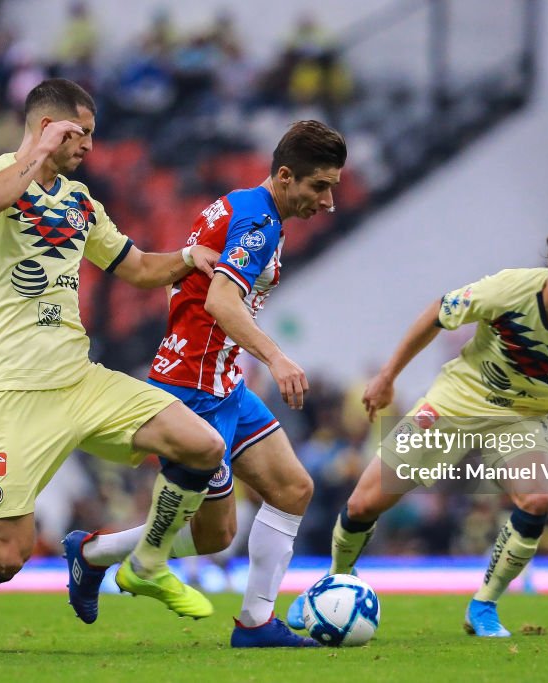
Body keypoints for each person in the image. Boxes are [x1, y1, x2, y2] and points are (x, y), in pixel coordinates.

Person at [0, 78, 228, 655]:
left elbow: (136, 268)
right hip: (5, 391)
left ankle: (147, 561)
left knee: (201, 446)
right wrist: (37, 151)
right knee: (7, 555)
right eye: (81, 134)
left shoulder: (81, 202)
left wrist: (185, 259)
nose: (89, 148)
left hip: (79, 380)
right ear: (49, 125)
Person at [62, 120, 347, 647]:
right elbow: (220, 300)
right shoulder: (258, 222)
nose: (328, 201)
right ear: (285, 176)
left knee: (292, 489)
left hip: (222, 383)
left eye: (332, 185)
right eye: (318, 186)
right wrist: (278, 358)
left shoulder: (244, 206)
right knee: (216, 535)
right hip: (194, 388)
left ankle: (256, 623)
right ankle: (94, 554)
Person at [288, 218, 548, 637]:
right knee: (362, 505)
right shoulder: (508, 289)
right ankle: (332, 583)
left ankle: (483, 606)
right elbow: (438, 311)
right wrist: (387, 376)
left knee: (538, 498)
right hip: (456, 399)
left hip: (523, 417)